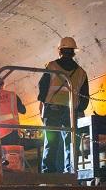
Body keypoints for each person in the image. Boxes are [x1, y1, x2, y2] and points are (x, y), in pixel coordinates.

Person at [38, 36, 89, 173]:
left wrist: (42, 104)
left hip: (52, 109)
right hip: (71, 111)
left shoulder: (52, 66)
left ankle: (49, 172)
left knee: (51, 141)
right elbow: (85, 98)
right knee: (71, 143)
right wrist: (79, 109)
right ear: (73, 52)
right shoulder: (81, 72)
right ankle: (71, 171)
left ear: (60, 51)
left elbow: (42, 86)